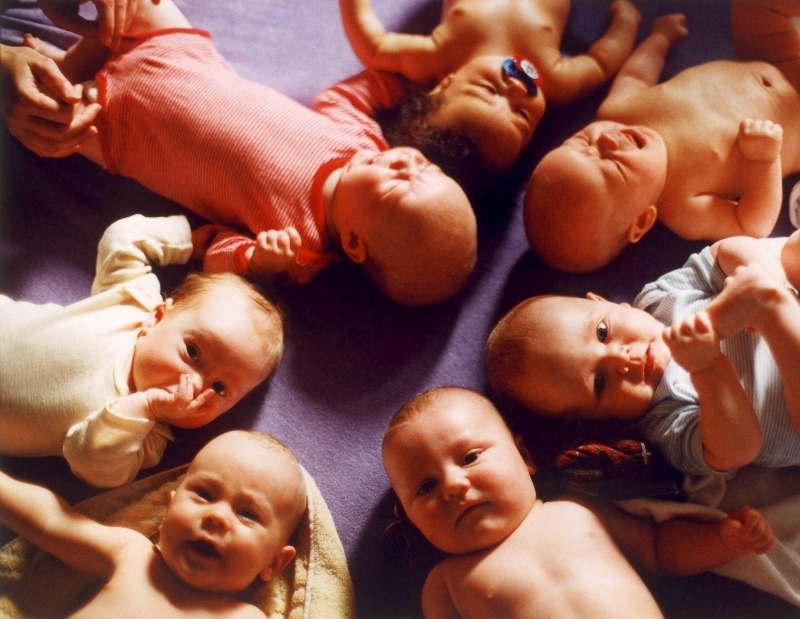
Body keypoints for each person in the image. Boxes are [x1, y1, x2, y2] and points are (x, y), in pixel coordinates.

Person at [7, 0, 478, 306]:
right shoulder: (365, 142)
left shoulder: (301, 247)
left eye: (401, 185)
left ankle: (62, 72)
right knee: (143, 5)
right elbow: (343, 99)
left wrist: (255, 262)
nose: (407, 161)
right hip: (179, 55)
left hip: (128, 128)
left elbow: (212, 248)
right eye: (425, 165)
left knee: (56, 118)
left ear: (355, 242)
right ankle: (71, 58)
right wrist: (399, 81)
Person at [382, 386, 775, 619]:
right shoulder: (445, 585)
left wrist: (722, 541)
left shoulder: (577, 508)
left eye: (470, 457)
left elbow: (657, 549)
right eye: (425, 487)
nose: (452, 486)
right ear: (411, 521)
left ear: (524, 457)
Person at [485, 229, 800, 478]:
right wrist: (706, 366)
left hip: (786, 291)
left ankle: (773, 299)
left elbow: (723, 252)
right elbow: (740, 449)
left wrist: (767, 274)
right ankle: (772, 306)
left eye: (603, 333)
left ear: (603, 301)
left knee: (791, 252)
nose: (622, 360)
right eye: (600, 383)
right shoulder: (664, 422)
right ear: (597, 418)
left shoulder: (659, 298)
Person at [0, 214, 285, 488]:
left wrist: (146, 406)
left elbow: (89, 463)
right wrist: (189, 241)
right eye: (193, 353)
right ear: (158, 317)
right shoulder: (135, 305)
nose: (196, 385)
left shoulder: (147, 437)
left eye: (220, 388)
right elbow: (122, 241)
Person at [525, 1, 800, 273]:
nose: (607, 141)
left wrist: (660, 38)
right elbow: (750, 225)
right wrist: (765, 159)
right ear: (642, 220)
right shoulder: (682, 209)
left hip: (769, 57)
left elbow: (636, 74)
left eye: (583, 141)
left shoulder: (618, 110)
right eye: (614, 167)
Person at [0, 429, 308, 619]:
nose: (216, 516)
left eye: (248, 514)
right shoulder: (133, 555)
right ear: (169, 509)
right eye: (204, 493)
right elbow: (53, 521)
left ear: (274, 562)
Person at [339, 0, 641, 185]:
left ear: (445, 84)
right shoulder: (556, 81)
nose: (517, 89)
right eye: (522, 114)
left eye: (488, 89)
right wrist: (626, 22)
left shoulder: (439, 57)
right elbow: (601, 63)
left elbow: (374, 46)